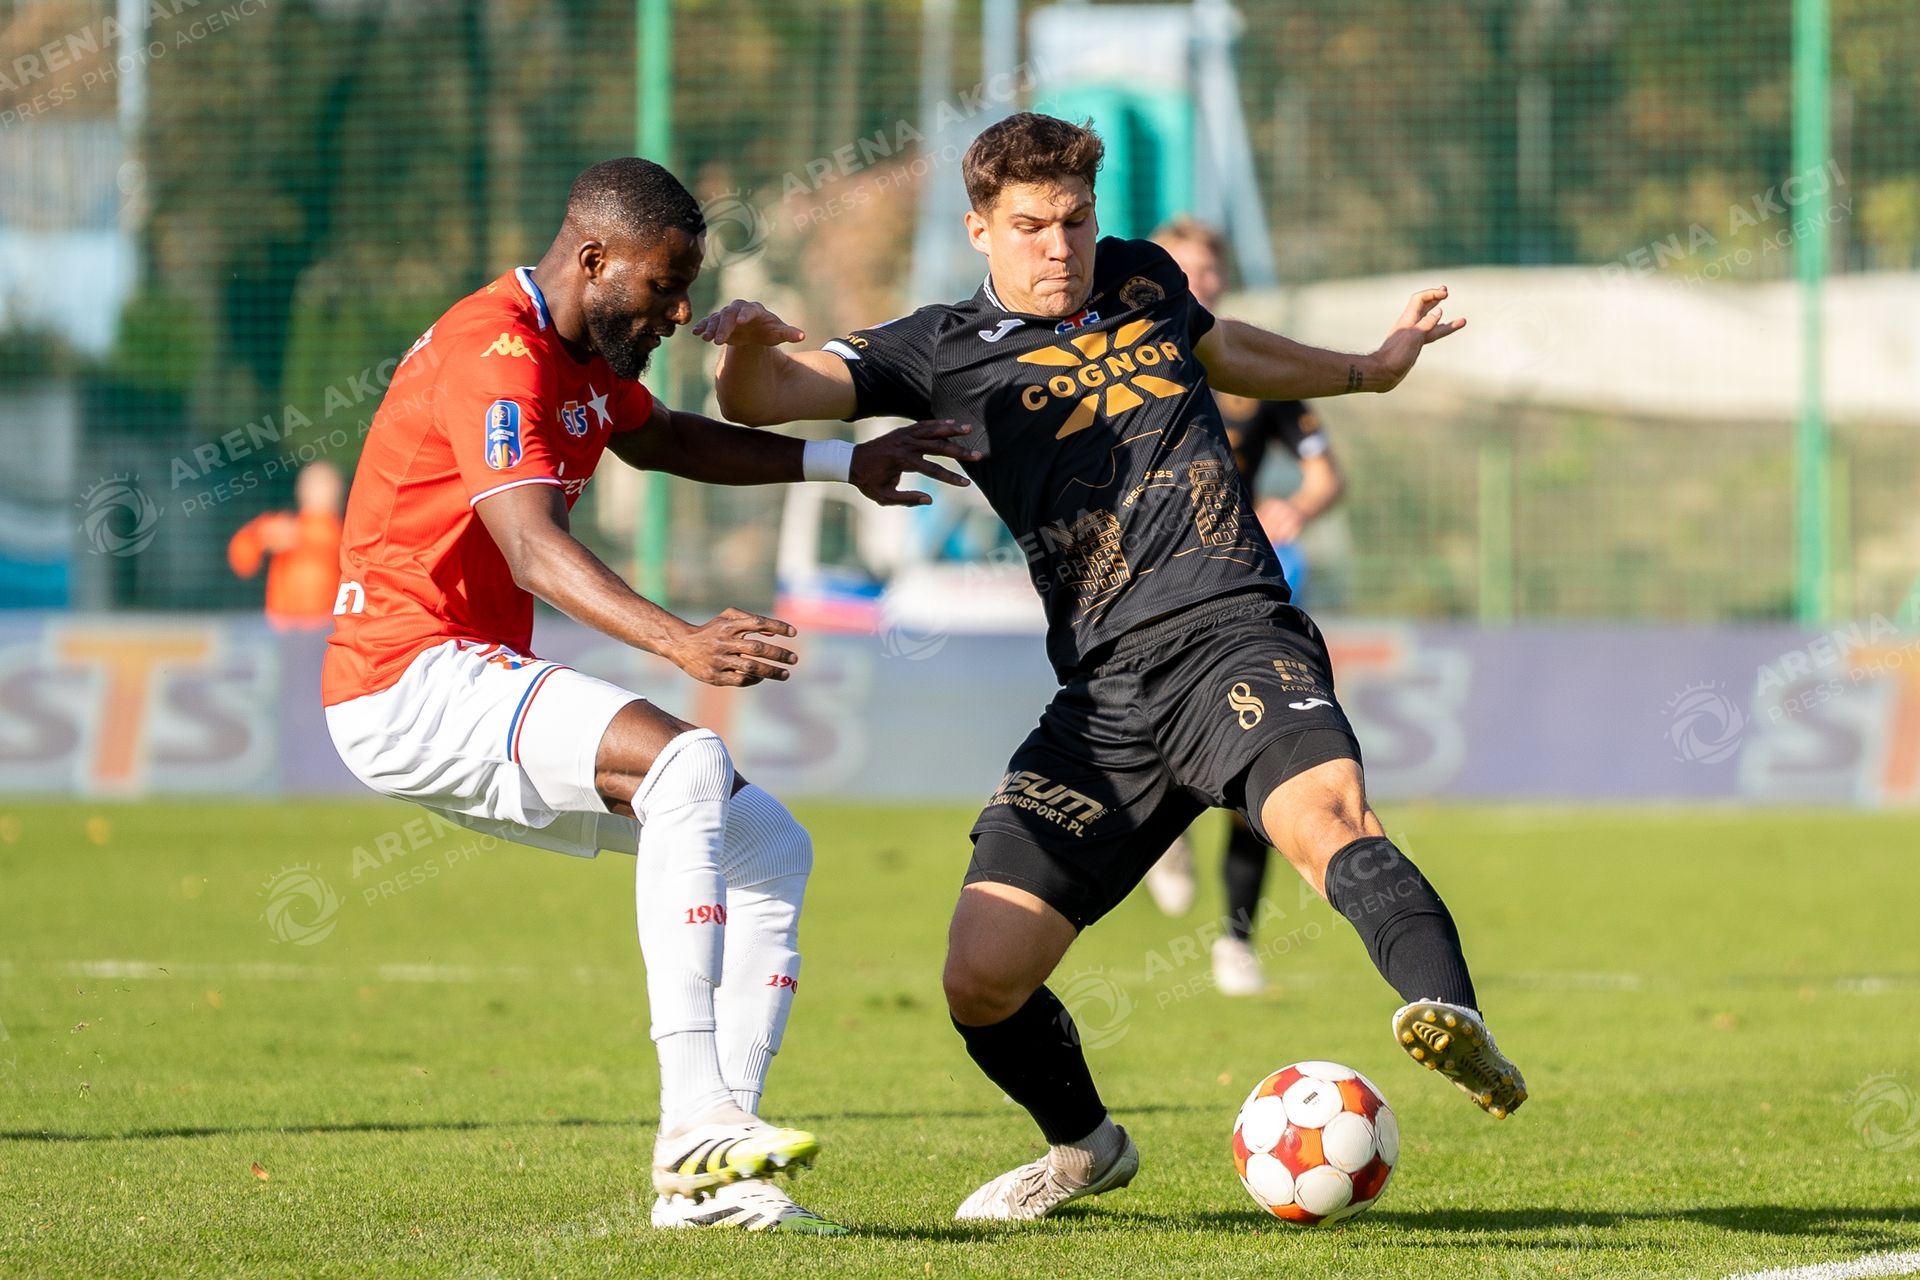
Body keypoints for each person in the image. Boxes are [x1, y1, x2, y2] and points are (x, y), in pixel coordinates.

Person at [699, 112, 1525, 1223]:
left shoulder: (1144, 279)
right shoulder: (936, 348)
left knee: (1329, 818)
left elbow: (1222, 348)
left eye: (1077, 221)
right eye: (1032, 225)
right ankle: (1086, 1147)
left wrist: (1366, 372)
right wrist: (748, 345)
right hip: (1105, 695)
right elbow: (761, 399)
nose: (1061, 247)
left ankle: (1452, 1017)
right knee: (982, 975)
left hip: (1235, 632)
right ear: (980, 230)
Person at [320, 158, 976, 1233]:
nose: (679, 312)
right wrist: (679, 640)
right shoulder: (497, 355)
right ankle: (694, 1119)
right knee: (686, 763)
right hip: (407, 675)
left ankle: (714, 1181)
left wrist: (839, 463)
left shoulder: (576, 353)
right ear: (593, 259)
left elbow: (664, 437)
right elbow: (532, 547)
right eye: (664, 287)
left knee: (768, 846)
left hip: (459, 674)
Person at [1140, 218, 1347, 997]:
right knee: (1154, 728)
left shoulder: (1247, 363)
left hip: (1239, 585)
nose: (1197, 282)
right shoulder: (1117, 362)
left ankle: (1235, 942)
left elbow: (1326, 476)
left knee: (1264, 754)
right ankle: (1162, 824)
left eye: (1208, 270)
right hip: (1147, 590)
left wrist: (1298, 507)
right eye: (1181, 268)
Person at [226, 460, 346, 629]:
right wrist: (260, 538)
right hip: (286, 626)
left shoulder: (345, 533)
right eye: (315, 484)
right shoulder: (283, 525)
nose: (322, 491)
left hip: (328, 626)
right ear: (301, 489)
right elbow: (241, 559)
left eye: (327, 483)